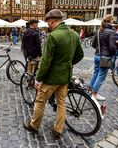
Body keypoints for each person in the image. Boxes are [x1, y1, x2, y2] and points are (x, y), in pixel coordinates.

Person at [23, 9, 84, 139]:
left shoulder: (53, 36)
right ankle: (58, 129)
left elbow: (45, 62)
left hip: (51, 78)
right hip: (65, 76)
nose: (47, 25)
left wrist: (39, 79)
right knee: (61, 103)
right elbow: (80, 55)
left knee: (40, 102)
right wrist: (67, 64)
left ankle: (34, 126)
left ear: (51, 21)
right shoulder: (74, 34)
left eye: (48, 22)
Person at [88, 15, 116, 101]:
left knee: (95, 73)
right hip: (105, 57)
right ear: (110, 21)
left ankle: (89, 91)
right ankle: (95, 94)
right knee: (101, 75)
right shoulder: (111, 32)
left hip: (97, 55)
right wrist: (112, 53)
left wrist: (98, 50)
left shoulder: (98, 31)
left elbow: (93, 44)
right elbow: (112, 47)